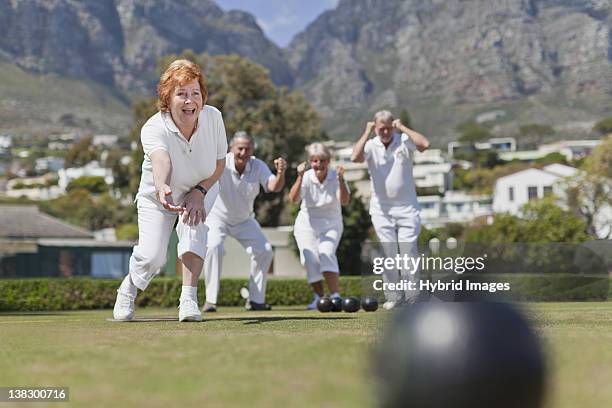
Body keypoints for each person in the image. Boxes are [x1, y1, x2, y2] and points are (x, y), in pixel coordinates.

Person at [113, 59, 227, 322]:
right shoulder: (153, 127)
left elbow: (220, 163)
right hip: (159, 195)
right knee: (153, 257)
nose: (190, 101)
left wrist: (199, 191)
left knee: (193, 232)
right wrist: (163, 185)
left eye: (195, 93)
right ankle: (127, 290)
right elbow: (161, 159)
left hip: (203, 187)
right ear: (168, 98)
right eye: (182, 94)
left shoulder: (213, 118)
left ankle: (188, 300)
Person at [351, 110, 430, 310]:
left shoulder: (403, 139)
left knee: (408, 251)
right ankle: (394, 297)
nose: (385, 131)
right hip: (381, 210)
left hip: (407, 208)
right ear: (376, 128)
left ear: (392, 126)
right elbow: (355, 157)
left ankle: (413, 297)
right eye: (381, 128)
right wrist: (367, 131)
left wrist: (402, 127)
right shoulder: (370, 145)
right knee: (388, 253)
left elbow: (424, 144)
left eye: (388, 128)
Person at [203, 131, 287, 312]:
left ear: (252, 150)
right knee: (213, 247)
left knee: (264, 251)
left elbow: (274, 187)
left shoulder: (258, 165)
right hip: (218, 218)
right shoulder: (221, 163)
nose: (243, 152)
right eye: (240, 148)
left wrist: (281, 172)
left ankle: (256, 300)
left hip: (245, 220)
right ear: (232, 148)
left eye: (247, 149)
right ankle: (210, 301)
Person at [288, 142, 350, 309]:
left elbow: (344, 201)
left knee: (326, 253)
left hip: (331, 224)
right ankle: (320, 297)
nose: (319, 165)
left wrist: (342, 180)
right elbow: (293, 200)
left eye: (322, 161)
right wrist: (299, 177)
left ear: (328, 161)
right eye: (315, 161)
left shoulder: (336, 176)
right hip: (307, 224)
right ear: (310, 161)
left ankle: (336, 295)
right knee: (310, 259)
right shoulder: (306, 177)